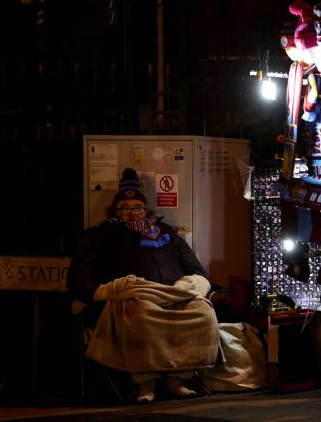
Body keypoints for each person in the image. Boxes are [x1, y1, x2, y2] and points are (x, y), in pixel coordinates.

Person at [67, 167, 220, 403]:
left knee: (201, 311)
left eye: (137, 207)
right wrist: (106, 293)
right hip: (134, 298)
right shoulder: (99, 236)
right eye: (125, 208)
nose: (132, 212)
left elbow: (197, 270)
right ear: (114, 211)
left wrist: (188, 286)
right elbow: (78, 280)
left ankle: (177, 378)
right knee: (141, 312)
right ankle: (146, 382)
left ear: (146, 209)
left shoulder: (166, 233)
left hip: (175, 296)